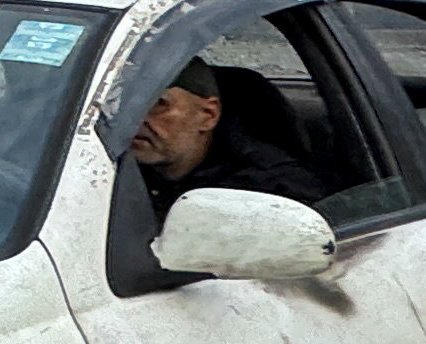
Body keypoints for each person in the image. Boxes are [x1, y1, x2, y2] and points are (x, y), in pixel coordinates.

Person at [126, 57, 331, 221]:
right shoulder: (106, 169)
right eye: (126, 105)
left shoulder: (270, 190)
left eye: (159, 104)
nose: (136, 119)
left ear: (208, 115)